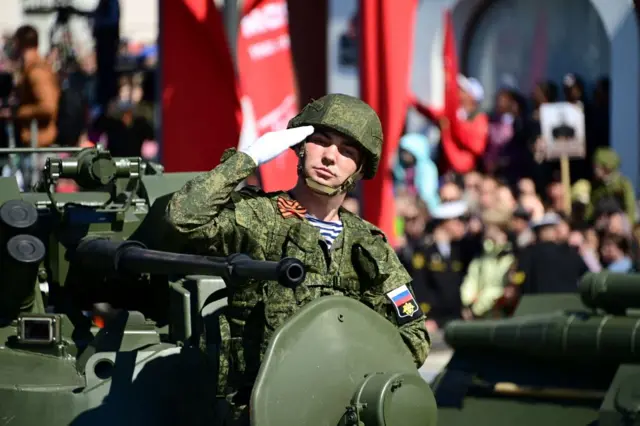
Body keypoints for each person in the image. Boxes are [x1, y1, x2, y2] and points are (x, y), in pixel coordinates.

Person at [165, 94, 430, 423]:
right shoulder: (260, 216)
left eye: (347, 151)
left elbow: (414, 337)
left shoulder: (366, 243)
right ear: (300, 145)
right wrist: (247, 159)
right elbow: (184, 217)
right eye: (320, 141)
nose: (330, 157)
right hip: (252, 409)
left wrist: (352, 377)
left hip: (335, 412)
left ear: (360, 170)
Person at [2, 25, 59, 147]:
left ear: (19, 43)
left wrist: (17, 112)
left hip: (38, 144)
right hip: (31, 142)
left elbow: (47, 106)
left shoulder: (37, 71)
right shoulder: (29, 69)